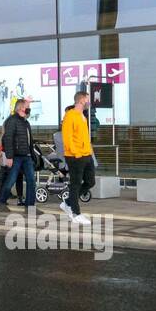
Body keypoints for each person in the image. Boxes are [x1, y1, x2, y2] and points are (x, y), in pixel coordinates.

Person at [60, 92, 94, 226]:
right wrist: (76, 153)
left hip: (86, 154)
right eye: (88, 99)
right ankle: (76, 213)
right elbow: (67, 137)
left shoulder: (82, 116)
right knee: (75, 184)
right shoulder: (70, 116)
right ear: (81, 100)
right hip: (75, 156)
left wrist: (88, 151)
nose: (89, 102)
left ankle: (68, 203)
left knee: (90, 182)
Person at [0, 99, 36, 208]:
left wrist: (32, 154)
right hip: (16, 156)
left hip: (27, 156)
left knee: (31, 180)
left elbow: (29, 140)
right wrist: (9, 157)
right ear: (20, 108)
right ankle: (1, 200)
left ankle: (30, 205)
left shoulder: (25, 121)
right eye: (26, 106)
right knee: (11, 180)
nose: (28, 108)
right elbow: (7, 139)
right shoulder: (12, 121)